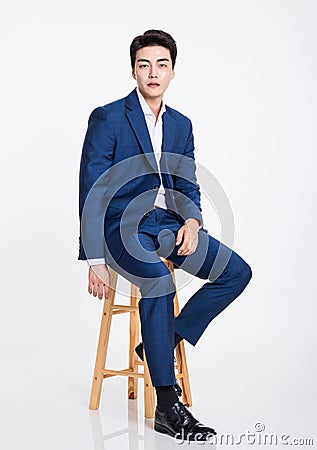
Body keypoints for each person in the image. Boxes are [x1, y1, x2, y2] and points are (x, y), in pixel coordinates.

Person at [78, 29, 252, 442]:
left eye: (161, 64)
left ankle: (164, 339)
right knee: (158, 281)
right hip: (119, 227)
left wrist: (192, 223)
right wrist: (95, 259)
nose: (152, 72)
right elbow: (91, 187)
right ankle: (168, 406)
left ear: (173, 71)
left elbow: (187, 183)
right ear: (133, 70)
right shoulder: (108, 117)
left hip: (166, 225)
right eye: (144, 64)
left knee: (237, 272)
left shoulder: (180, 124)